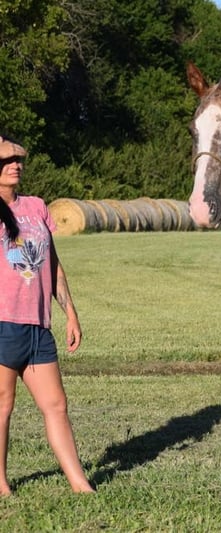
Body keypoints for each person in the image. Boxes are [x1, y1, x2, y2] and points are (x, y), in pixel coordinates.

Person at [0, 136, 94, 494]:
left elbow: (52, 264)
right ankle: (1, 485)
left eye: (19, 160)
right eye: (7, 161)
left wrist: (70, 312)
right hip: (3, 323)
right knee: (2, 406)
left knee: (56, 404)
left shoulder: (37, 207)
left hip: (39, 326)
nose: (16, 165)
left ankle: (79, 483)